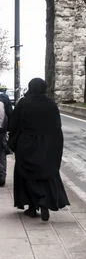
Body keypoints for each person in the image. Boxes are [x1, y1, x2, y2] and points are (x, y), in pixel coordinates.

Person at [8, 78, 69, 221]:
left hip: (26, 145)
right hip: (49, 146)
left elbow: (14, 124)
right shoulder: (51, 104)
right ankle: (45, 201)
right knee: (47, 174)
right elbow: (57, 127)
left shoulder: (24, 103)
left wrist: (13, 142)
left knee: (26, 174)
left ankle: (32, 207)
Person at [0, 87, 13, 187]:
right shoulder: (4, 98)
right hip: (1, 131)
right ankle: (1, 177)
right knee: (1, 153)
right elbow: (10, 114)